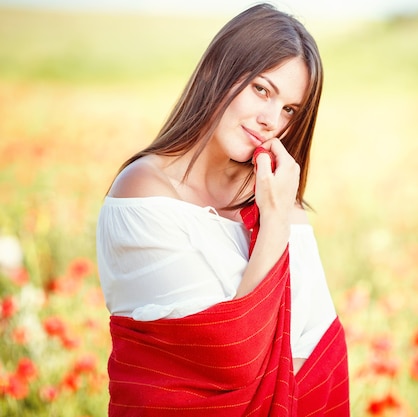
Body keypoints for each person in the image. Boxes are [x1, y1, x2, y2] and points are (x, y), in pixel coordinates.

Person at [96, 3, 349, 416]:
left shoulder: (277, 198)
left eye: (289, 110)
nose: (271, 120)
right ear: (217, 70)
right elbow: (233, 361)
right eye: (262, 89)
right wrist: (273, 226)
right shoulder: (142, 196)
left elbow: (320, 347)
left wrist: (276, 212)